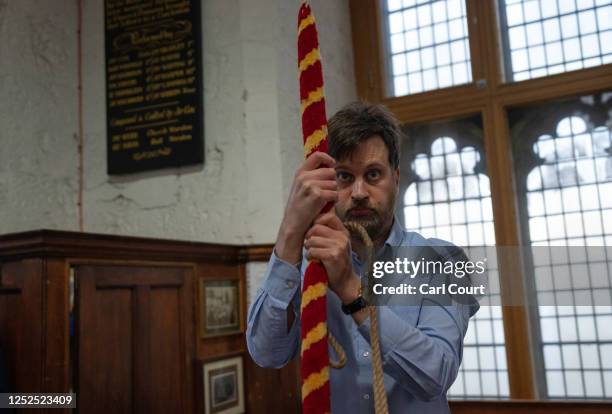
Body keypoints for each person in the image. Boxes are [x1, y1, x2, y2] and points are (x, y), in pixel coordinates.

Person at [246, 101, 479, 413]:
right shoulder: (308, 266)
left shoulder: (442, 259)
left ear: (395, 177)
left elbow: (435, 375)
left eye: (372, 174)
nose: (358, 192)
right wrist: (291, 231)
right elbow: (266, 353)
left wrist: (350, 288)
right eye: (343, 176)